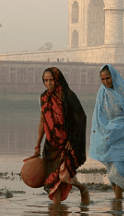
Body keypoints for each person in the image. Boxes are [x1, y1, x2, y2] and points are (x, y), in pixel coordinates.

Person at [89, 65, 124, 200]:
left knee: (119, 168)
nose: (105, 82)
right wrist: (102, 135)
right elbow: (99, 116)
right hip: (109, 135)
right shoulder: (102, 93)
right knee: (111, 171)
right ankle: (117, 203)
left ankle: (118, 203)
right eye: (102, 79)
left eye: (108, 78)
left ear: (113, 77)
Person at [34, 67, 89, 205]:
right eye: (45, 81)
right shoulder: (44, 97)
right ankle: (57, 213)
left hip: (66, 144)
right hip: (51, 145)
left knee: (64, 176)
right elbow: (42, 121)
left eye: (51, 80)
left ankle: (82, 188)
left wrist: (73, 139)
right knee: (53, 182)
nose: (48, 84)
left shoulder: (68, 96)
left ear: (57, 80)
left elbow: (81, 118)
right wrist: (37, 145)